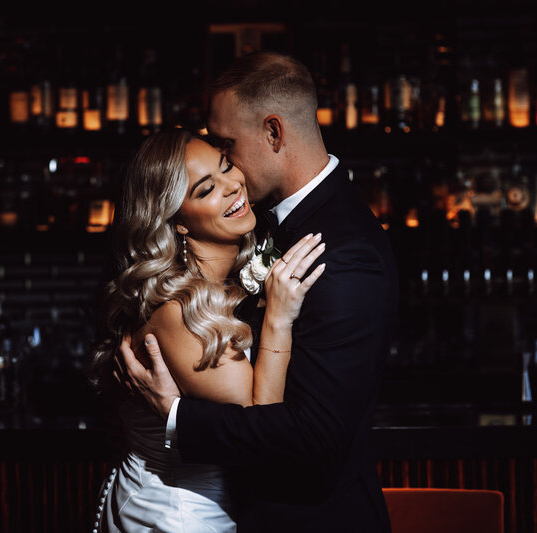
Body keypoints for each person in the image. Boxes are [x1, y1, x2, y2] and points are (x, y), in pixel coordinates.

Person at [116, 50, 399, 532]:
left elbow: (312, 439)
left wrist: (176, 418)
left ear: (273, 132)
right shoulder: (261, 226)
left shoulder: (346, 255)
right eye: (208, 183)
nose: (234, 181)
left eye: (227, 150)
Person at [89, 127, 327, 532]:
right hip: (177, 514)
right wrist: (278, 320)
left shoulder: (217, 286)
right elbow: (259, 428)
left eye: (226, 167)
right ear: (177, 222)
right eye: (205, 190)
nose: (233, 186)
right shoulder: (179, 311)